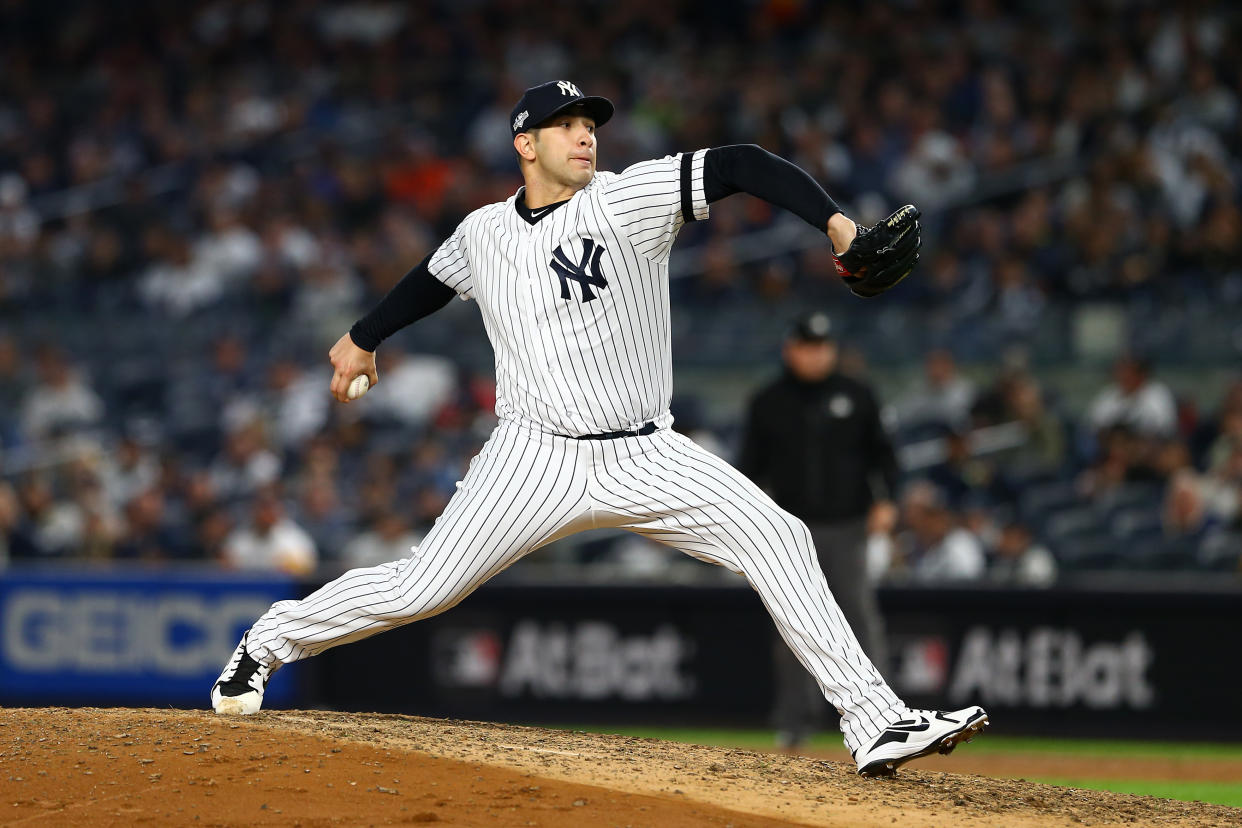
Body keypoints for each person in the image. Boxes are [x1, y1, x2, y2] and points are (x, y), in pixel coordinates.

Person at [211, 79, 985, 778]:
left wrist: (838, 226)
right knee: (422, 588)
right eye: (564, 124)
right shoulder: (485, 232)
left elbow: (743, 162)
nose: (585, 135)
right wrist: (361, 337)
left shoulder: (625, 200)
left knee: (779, 537)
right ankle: (269, 642)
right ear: (525, 144)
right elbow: (429, 281)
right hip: (531, 457)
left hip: (645, 450)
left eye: (589, 123)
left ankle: (875, 720)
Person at [738, 310, 899, 751]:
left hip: (847, 527)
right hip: (790, 531)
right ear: (791, 349)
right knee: (792, 625)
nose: (815, 356)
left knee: (860, 619)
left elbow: (883, 455)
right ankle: (795, 722)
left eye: (823, 347)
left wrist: (886, 499)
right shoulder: (768, 401)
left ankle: (883, 719)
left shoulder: (857, 394)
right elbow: (749, 470)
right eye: (808, 347)